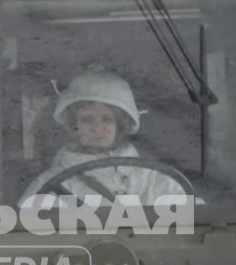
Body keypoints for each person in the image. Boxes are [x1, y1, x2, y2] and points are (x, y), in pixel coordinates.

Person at [21, 70, 191, 203]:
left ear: (120, 125)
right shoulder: (48, 186)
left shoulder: (154, 180)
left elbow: (192, 225)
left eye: (107, 119)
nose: (97, 128)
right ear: (74, 126)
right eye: (87, 119)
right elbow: (32, 239)